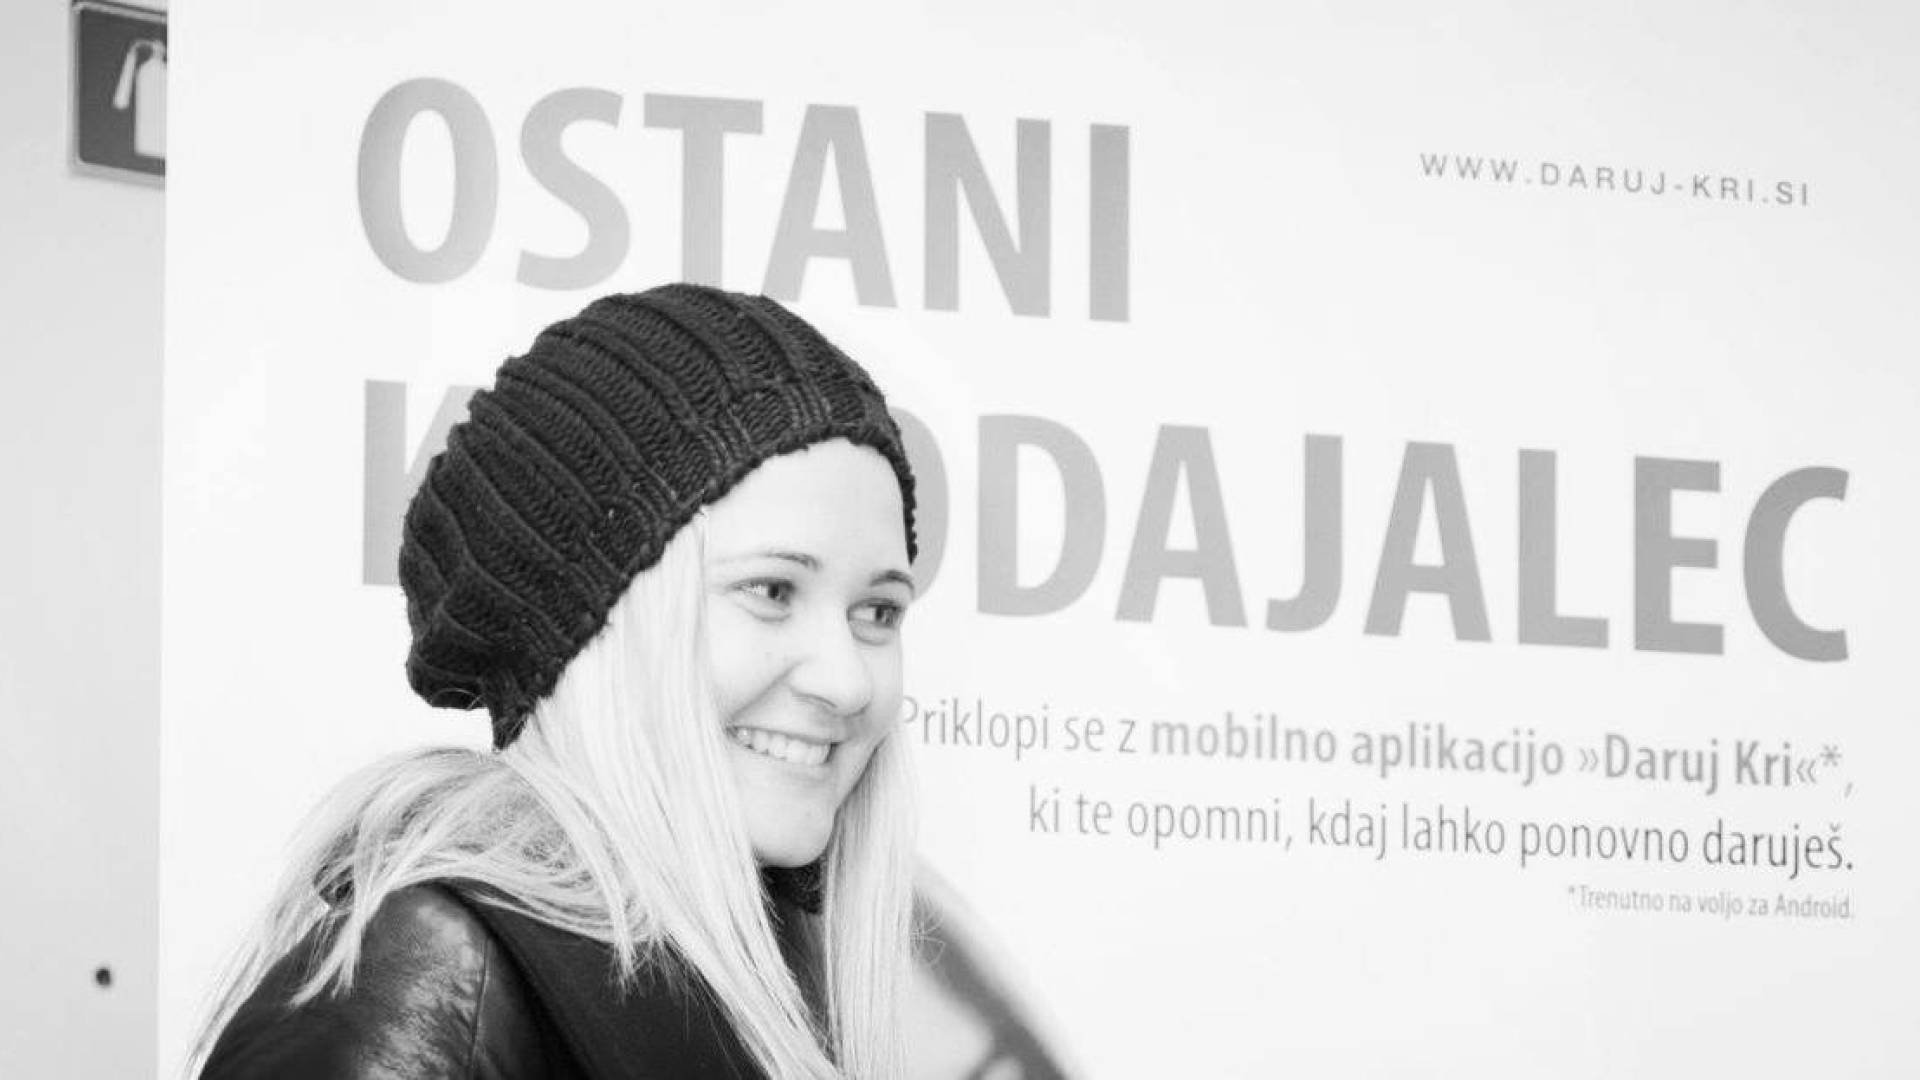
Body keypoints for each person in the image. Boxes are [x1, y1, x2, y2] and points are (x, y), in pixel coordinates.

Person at [193, 284, 921, 1080]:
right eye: (772, 591)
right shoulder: (433, 976)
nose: (847, 682)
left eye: (878, 611)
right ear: (587, 627)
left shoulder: (766, 979)